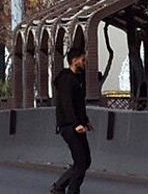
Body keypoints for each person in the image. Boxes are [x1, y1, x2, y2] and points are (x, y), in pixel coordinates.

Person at [50, 50, 92, 194]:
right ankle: (72, 190)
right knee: (81, 161)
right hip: (69, 126)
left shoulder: (76, 78)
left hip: (78, 125)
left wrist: (85, 120)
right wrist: (75, 124)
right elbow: (67, 104)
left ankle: (59, 186)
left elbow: (78, 104)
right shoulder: (66, 80)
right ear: (74, 61)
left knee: (85, 161)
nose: (85, 63)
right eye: (83, 60)